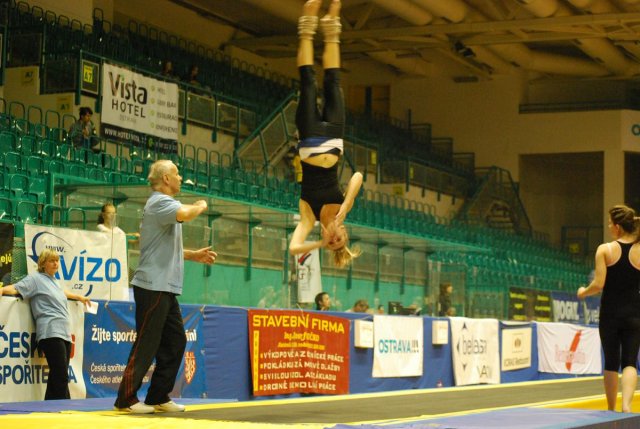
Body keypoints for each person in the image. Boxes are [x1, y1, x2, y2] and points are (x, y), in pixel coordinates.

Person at [114, 160, 217, 414]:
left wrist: (192, 255)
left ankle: (158, 396)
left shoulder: (162, 205)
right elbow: (185, 213)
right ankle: (125, 399)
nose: (181, 178)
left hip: (165, 287)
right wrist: (201, 205)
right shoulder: (160, 202)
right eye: (177, 174)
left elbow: (162, 246)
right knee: (147, 343)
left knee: (175, 341)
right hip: (153, 285)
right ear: (166, 179)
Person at [288, 0, 363, 268]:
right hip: (333, 137)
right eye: (340, 239)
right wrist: (346, 205)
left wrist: (318, 244)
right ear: (344, 233)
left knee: (308, 81)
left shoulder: (310, 216)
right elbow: (357, 175)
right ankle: (332, 26)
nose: (335, 237)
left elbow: (294, 247)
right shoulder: (344, 208)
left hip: (309, 138)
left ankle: (307, 26)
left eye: (332, 242)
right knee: (334, 81)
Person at [0, 249, 91, 400]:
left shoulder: (55, 281)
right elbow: (17, 287)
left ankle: (49, 405)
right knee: (60, 373)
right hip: (50, 331)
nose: (56, 263)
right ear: (43, 264)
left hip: (64, 332)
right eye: (51, 261)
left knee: (58, 374)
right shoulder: (35, 279)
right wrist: (2, 290)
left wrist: (79, 297)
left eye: (57, 260)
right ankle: (63, 406)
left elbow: (63, 293)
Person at [577, 204, 640, 413]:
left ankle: (611, 409)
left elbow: (599, 284)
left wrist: (583, 292)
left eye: (610, 223)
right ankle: (627, 406)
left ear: (618, 227)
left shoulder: (605, 249)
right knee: (630, 361)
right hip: (635, 314)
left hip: (610, 314)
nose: (609, 227)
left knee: (611, 361)